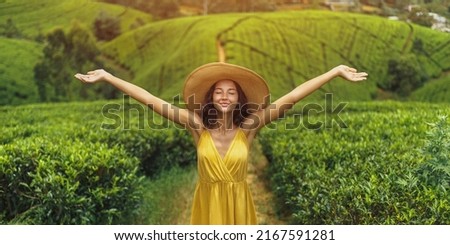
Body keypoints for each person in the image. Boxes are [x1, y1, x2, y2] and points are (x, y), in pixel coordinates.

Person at [74, 62, 367, 225]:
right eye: (218, 92)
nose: (225, 96)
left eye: (231, 92)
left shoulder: (249, 128)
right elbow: (153, 101)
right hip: (208, 206)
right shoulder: (197, 127)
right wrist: (109, 77)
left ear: (239, 99)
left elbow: (291, 98)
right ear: (211, 98)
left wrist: (334, 72)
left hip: (240, 206)